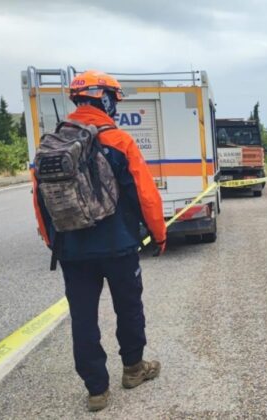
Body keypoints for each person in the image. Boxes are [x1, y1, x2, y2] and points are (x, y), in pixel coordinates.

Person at [32, 70, 166, 412]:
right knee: (129, 308)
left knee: (83, 317)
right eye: (115, 100)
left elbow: (40, 201)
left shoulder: (52, 143)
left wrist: (53, 242)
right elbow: (145, 194)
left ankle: (96, 390)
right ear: (105, 99)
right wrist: (158, 233)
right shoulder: (119, 140)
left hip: (72, 250)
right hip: (118, 246)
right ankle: (134, 369)